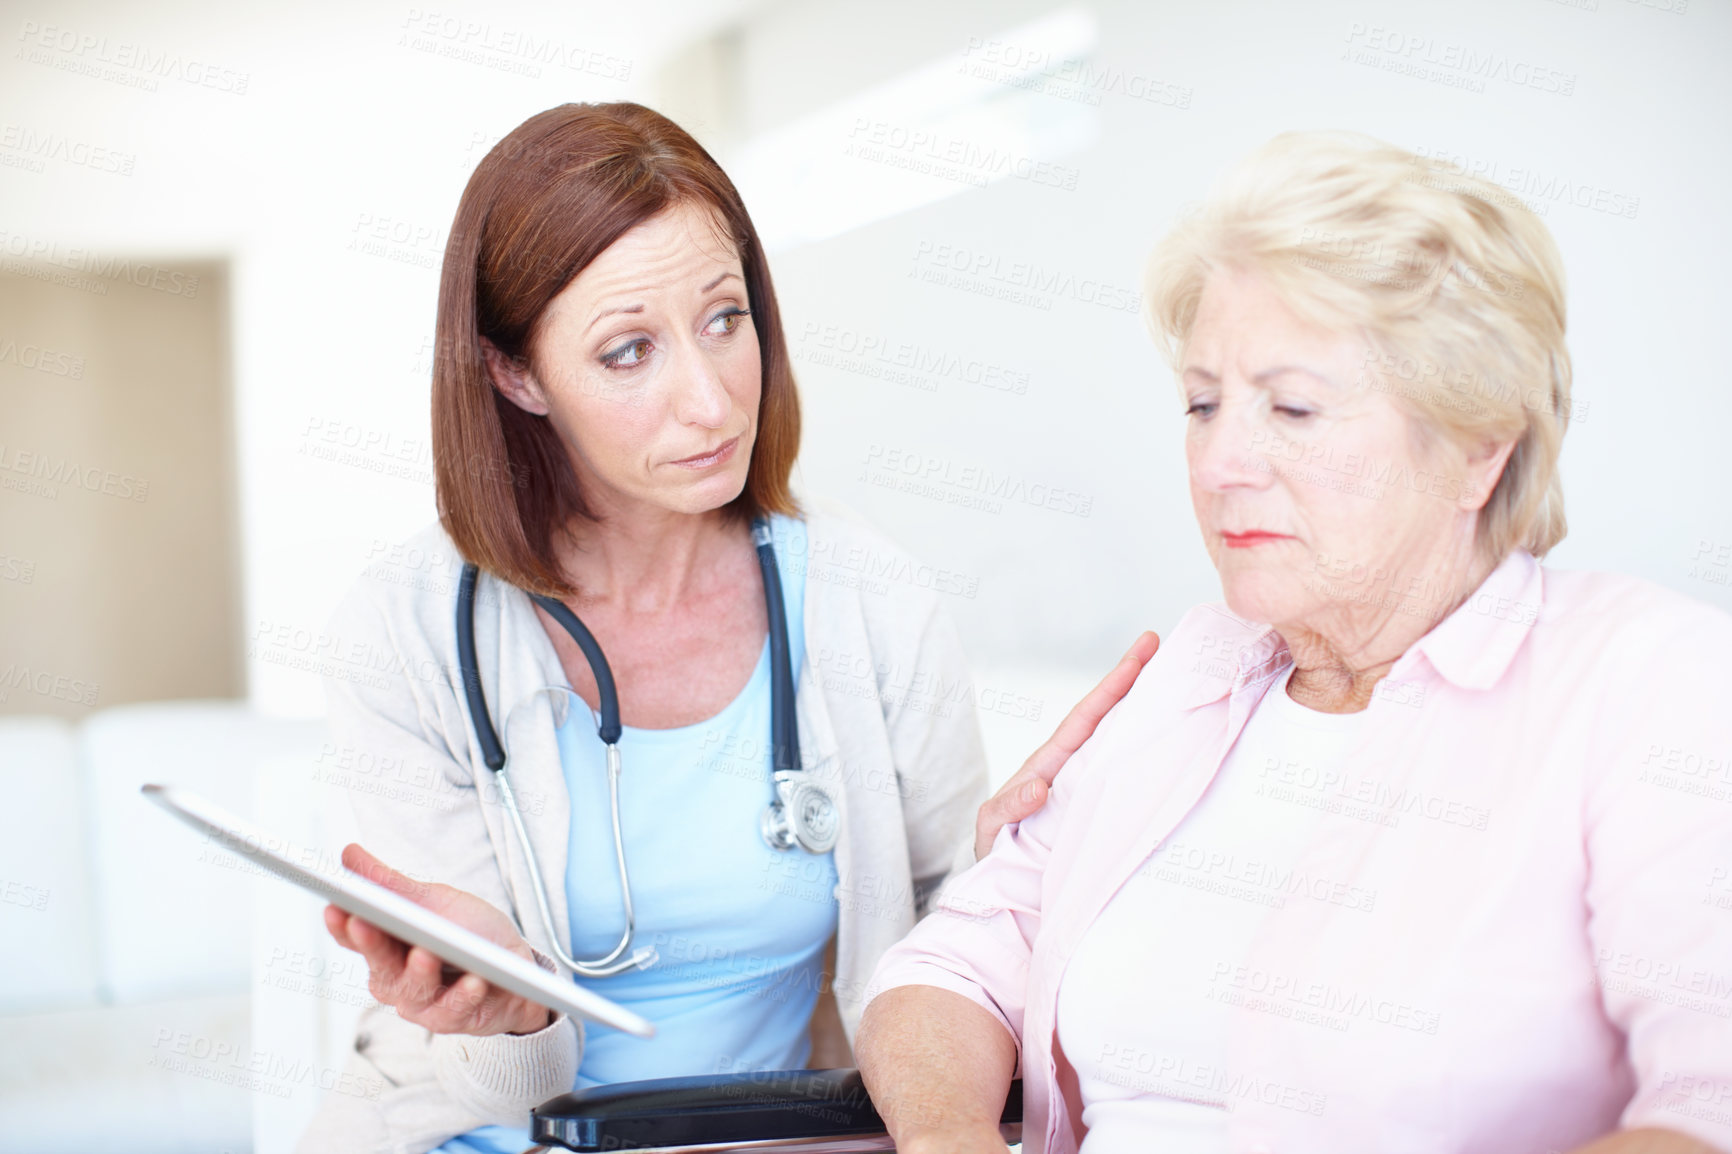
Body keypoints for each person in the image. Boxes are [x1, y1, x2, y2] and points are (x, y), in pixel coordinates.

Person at [293, 102, 1153, 1153]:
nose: (710, 400)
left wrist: (1017, 870)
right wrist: (507, 1006)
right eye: (627, 352)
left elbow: (948, 944)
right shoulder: (405, 634)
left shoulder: (867, 594)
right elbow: (495, 1081)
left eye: (724, 318)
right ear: (515, 374)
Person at [856, 131, 1732, 1154]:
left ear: (1478, 445)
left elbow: (1707, 1111)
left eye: (1294, 407)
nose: (1221, 459)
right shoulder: (1192, 670)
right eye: (1202, 402)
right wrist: (949, 1135)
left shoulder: (1646, 683)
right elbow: (951, 963)